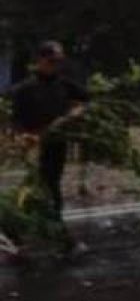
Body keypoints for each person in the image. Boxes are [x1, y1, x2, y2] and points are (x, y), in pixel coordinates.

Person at [11, 41, 89, 223]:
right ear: (41, 60)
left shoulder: (65, 85)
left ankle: (54, 222)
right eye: (52, 61)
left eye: (59, 61)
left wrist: (75, 112)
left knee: (51, 182)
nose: (56, 65)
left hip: (56, 142)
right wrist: (24, 137)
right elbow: (16, 119)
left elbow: (86, 101)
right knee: (35, 184)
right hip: (32, 142)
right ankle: (35, 221)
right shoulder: (25, 89)